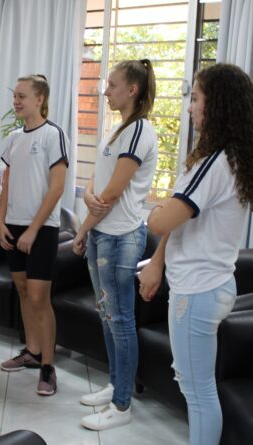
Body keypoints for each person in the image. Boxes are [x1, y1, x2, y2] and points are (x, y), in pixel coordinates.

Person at [139, 63, 253, 445]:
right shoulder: (229, 159)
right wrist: (159, 261)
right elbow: (182, 221)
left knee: (198, 394)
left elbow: (162, 222)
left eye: (195, 99)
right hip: (209, 285)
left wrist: (159, 209)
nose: (190, 108)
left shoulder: (214, 163)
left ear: (218, 105)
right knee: (197, 389)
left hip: (197, 292)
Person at [71, 59, 158, 430]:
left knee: (121, 320)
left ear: (132, 90)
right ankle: (114, 386)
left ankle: (122, 406)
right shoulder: (117, 130)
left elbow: (111, 193)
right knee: (107, 316)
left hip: (121, 237)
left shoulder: (140, 130)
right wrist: (89, 200)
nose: (105, 91)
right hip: (102, 234)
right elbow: (95, 182)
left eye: (112, 85)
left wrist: (81, 229)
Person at [0, 75, 68, 396]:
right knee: (23, 291)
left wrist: (34, 229)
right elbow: (7, 184)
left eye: (22, 96)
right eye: (15, 96)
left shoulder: (53, 135)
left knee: (40, 297)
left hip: (42, 228)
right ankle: (32, 351)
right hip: (13, 225)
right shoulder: (13, 138)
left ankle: (48, 367)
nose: (16, 101)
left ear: (39, 99)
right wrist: (1, 223)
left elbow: (57, 188)